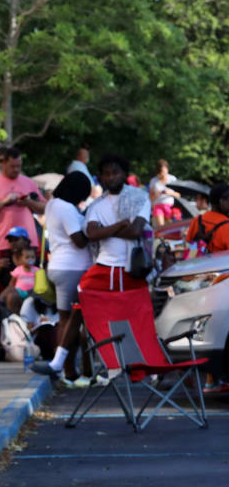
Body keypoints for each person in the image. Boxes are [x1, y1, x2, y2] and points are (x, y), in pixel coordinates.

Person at [30, 172, 94, 384]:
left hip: (60, 265)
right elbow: (79, 240)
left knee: (66, 320)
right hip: (73, 268)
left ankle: (68, 370)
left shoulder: (52, 204)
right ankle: (68, 370)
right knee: (72, 321)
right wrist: (96, 231)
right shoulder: (66, 208)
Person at [81, 154, 152, 292]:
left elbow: (134, 231)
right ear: (101, 177)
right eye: (106, 174)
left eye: (115, 173)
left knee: (133, 312)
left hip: (132, 268)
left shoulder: (140, 198)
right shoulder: (96, 205)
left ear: (124, 174)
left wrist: (104, 231)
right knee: (86, 298)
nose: (111, 177)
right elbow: (92, 234)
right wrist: (120, 225)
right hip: (103, 266)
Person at [0, 146, 45, 257]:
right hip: (3, 244)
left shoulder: (29, 182)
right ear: (4, 164)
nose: (16, 169)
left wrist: (29, 202)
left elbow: (45, 208)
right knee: (4, 274)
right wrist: (3, 202)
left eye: (19, 166)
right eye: (12, 166)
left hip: (28, 243)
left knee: (27, 274)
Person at [186, 183, 229, 253]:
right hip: (218, 263)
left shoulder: (197, 219)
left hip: (197, 262)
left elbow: (189, 244)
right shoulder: (226, 226)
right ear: (221, 201)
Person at [149, 159, 181, 227]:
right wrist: (156, 194)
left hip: (170, 207)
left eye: (164, 171)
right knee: (161, 227)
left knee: (170, 227)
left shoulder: (172, 179)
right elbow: (150, 198)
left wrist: (171, 193)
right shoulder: (154, 181)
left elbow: (179, 195)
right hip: (158, 206)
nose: (163, 174)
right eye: (161, 172)